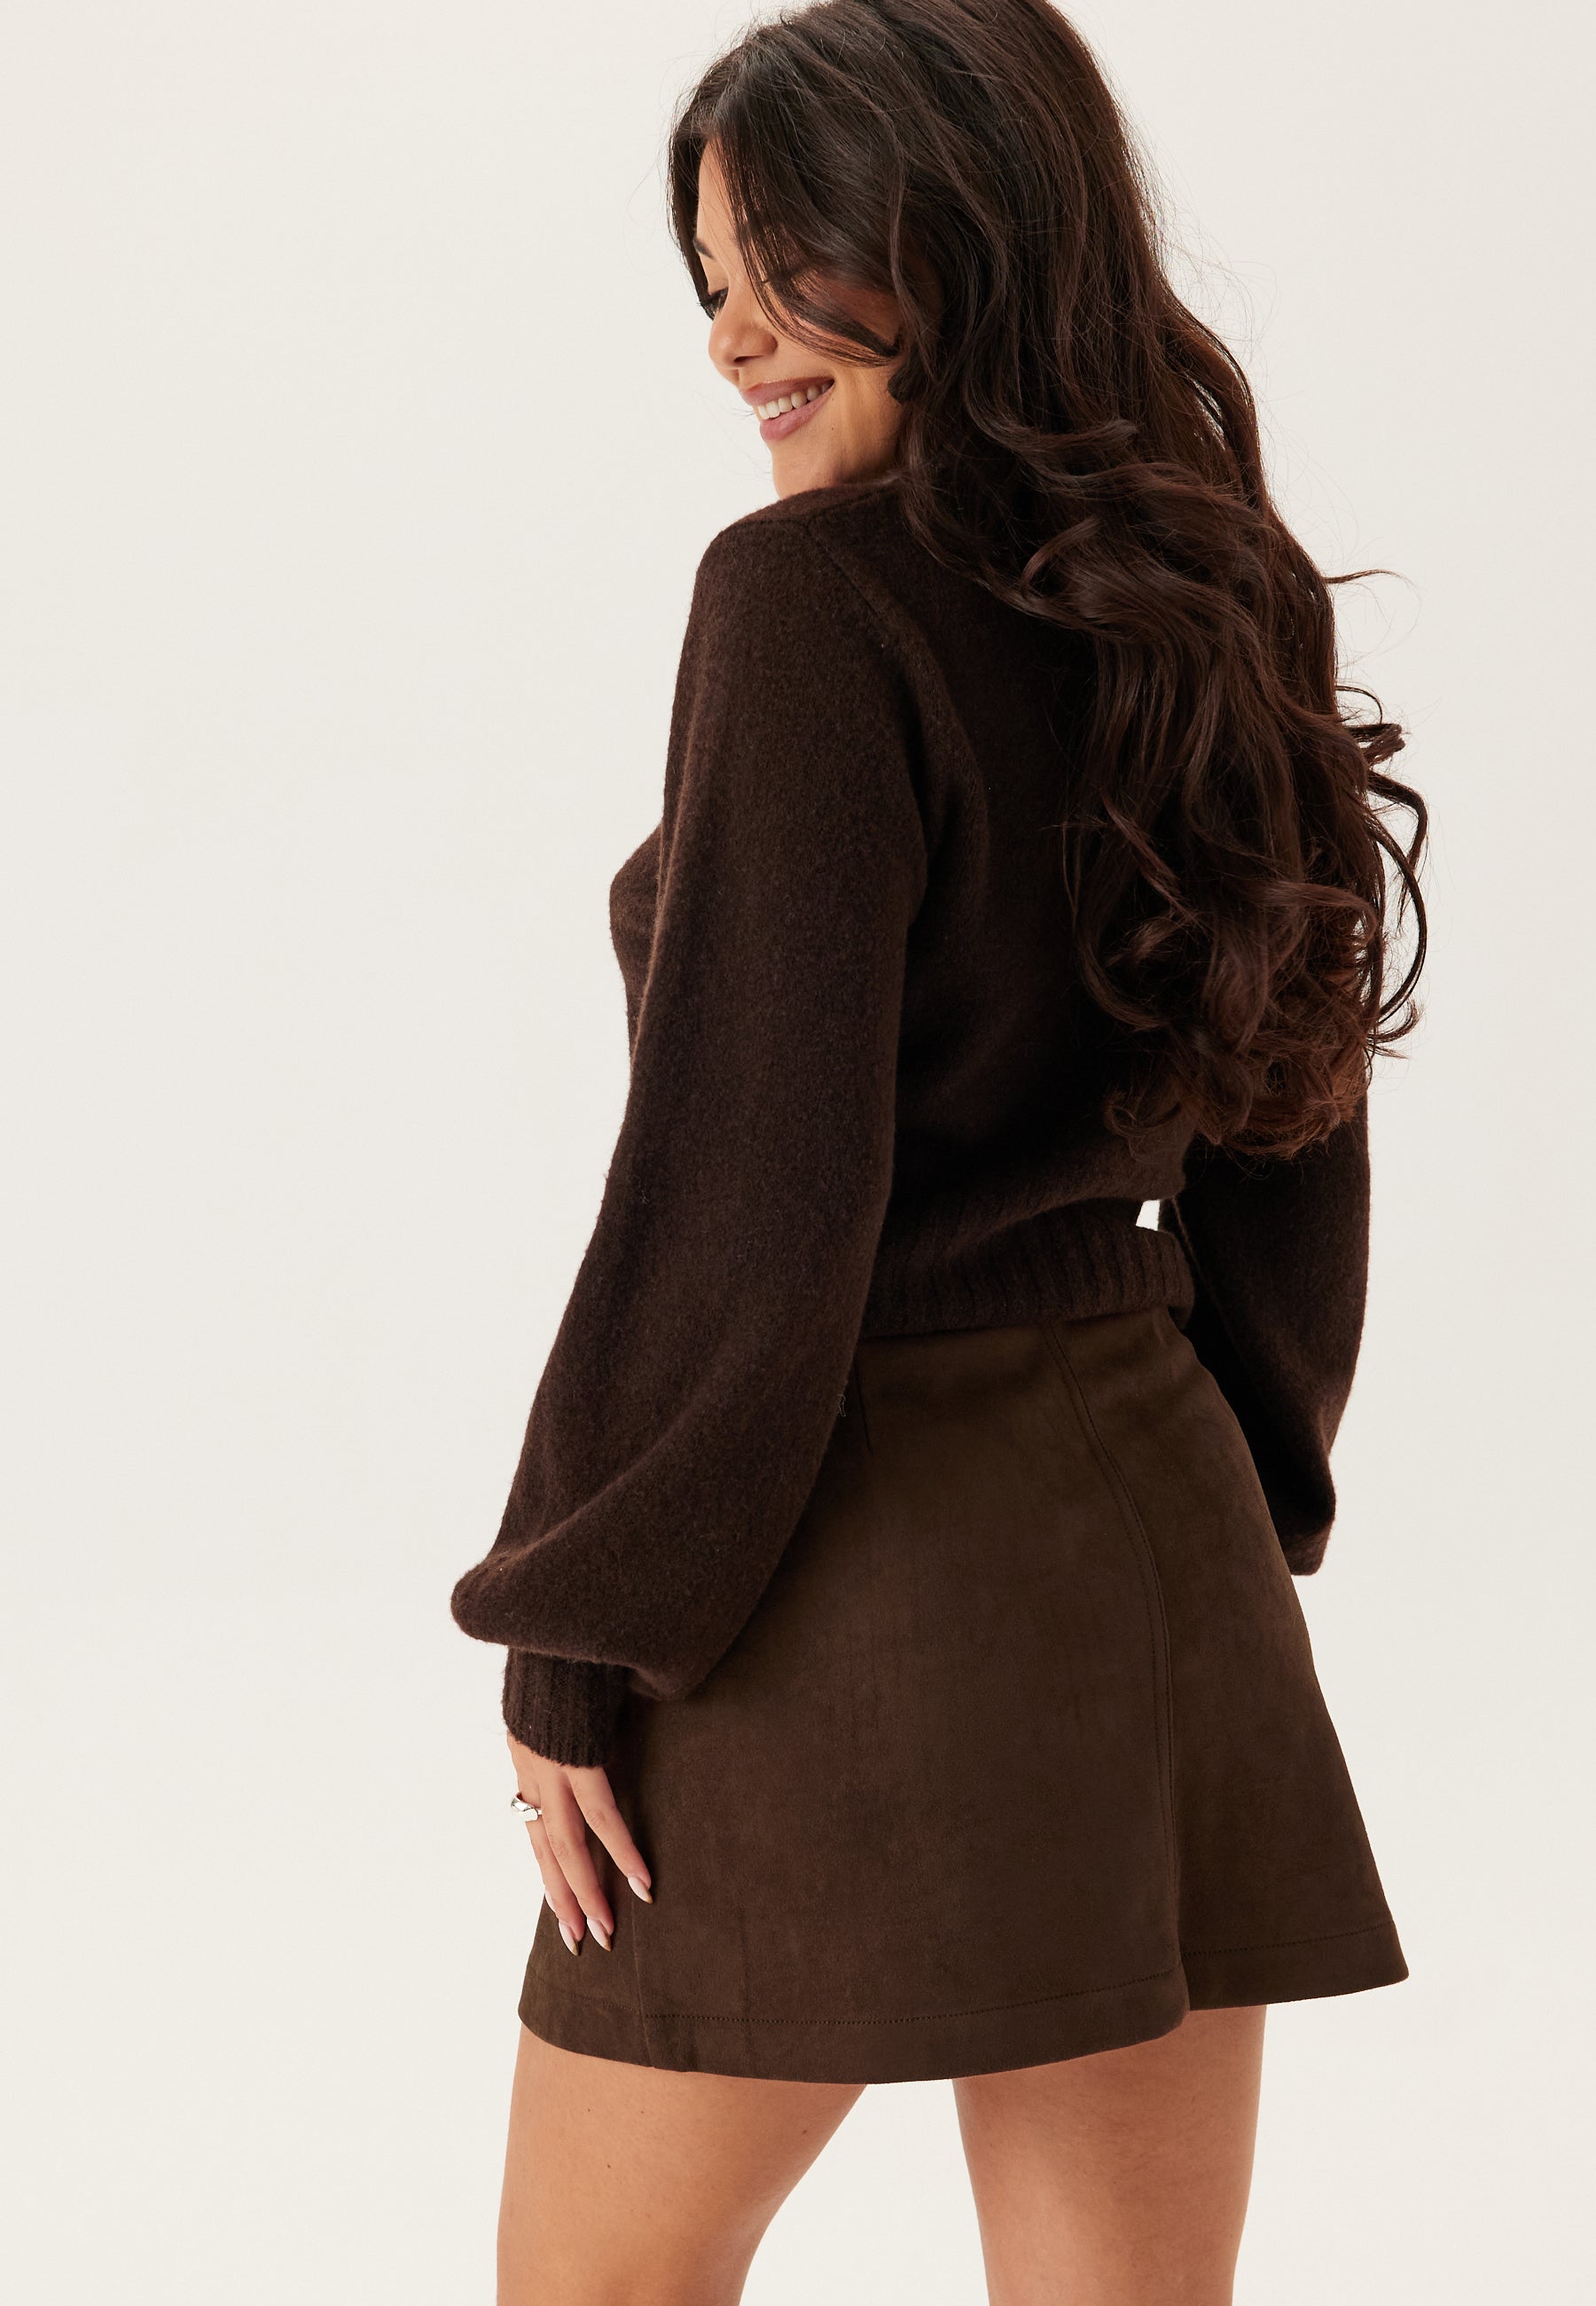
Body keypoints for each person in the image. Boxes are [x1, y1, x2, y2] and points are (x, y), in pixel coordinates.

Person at [449, 3, 1428, 2299]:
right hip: (1156, 1546)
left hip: (842, 1547)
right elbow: (1295, 1125)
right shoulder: (1225, 595)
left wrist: (579, 1624)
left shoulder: (805, 604)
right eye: (709, 284)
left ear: (961, 232)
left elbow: (748, 1184)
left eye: (785, 264)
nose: (733, 342)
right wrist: (1251, 1502)